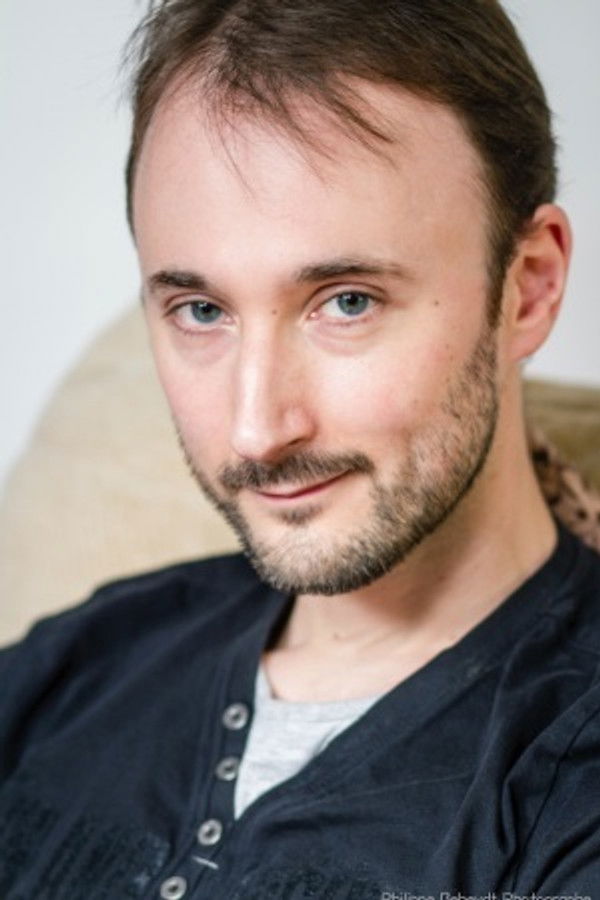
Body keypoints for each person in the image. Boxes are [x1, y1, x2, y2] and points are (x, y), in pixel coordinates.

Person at [1, 0, 599, 897]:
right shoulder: (74, 667)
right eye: (201, 311)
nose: (255, 430)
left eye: (346, 302)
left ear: (529, 288)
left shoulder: (570, 784)